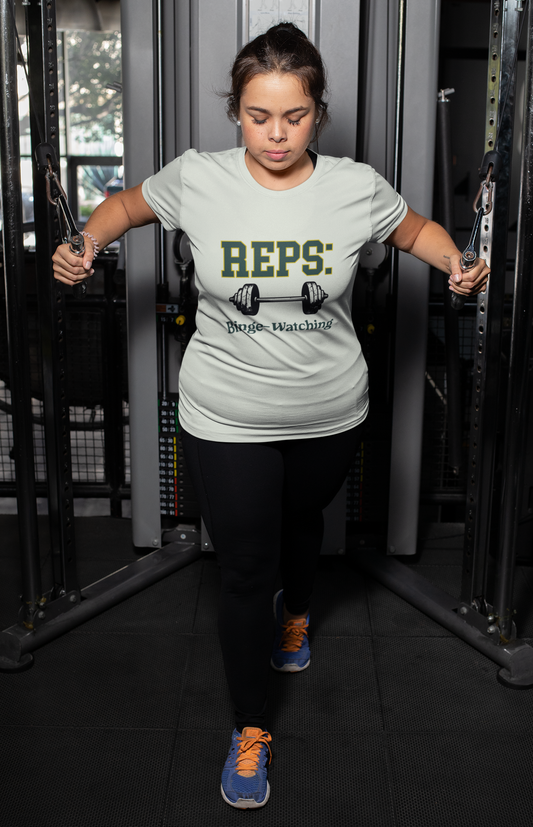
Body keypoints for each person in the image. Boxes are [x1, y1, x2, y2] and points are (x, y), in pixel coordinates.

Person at [52, 23, 490, 810]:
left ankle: (297, 610)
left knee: (299, 517)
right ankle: (250, 726)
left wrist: (455, 260)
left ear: (317, 112)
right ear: (236, 111)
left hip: (330, 408)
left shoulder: (354, 186)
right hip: (226, 411)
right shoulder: (198, 178)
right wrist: (83, 239)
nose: (276, 134)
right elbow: (123, 205)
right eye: (258, 116)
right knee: (244, 563)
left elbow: (414, 229)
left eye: (293, 115)